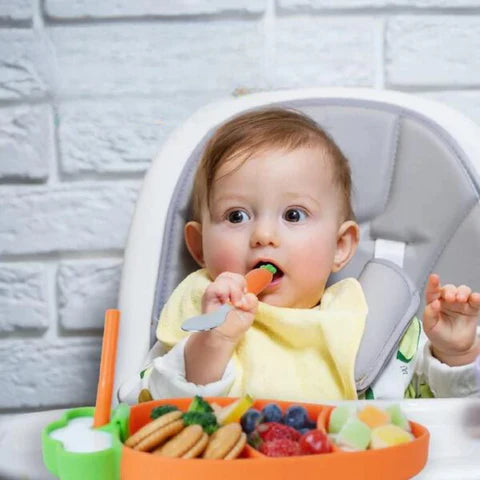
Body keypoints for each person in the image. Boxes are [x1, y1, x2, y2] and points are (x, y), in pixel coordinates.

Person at [118, 108, 480, 404]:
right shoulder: (200, 316)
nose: (263, 235)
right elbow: (146, 409)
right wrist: (212, 347)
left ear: (340, 247)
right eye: (236, 216)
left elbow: (444, 410)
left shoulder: (364, 322)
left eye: (293, 215)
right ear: (199, 247)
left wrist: (455, 353)